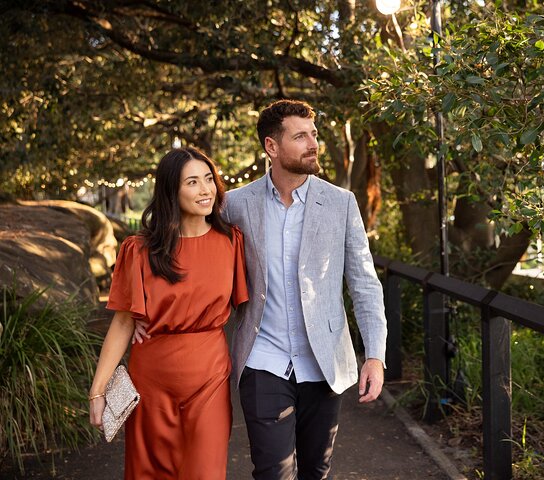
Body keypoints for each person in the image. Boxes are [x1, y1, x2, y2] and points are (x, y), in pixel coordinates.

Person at [224, 99, 388, 479]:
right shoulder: (235, 205)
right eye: (300, 136)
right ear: (271, 147)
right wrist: (153, 314)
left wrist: (375, 356)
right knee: (272, 472)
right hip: (263, 360)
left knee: (316, 469)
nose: (313, 143)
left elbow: (364, 283)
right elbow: (194, 252)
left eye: (313, 134)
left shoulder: (340, 203)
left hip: (323, 362)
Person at [88, 147, 249, 479]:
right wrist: (97, 391)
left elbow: (254, 308)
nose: (206, 190)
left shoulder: (232, 242)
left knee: (205, 471)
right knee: (149, 473)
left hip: (210, 380)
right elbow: (122, 323)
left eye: (209, 180)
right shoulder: (140, 250)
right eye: (192, 182)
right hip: (150, 383)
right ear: (171, 191)